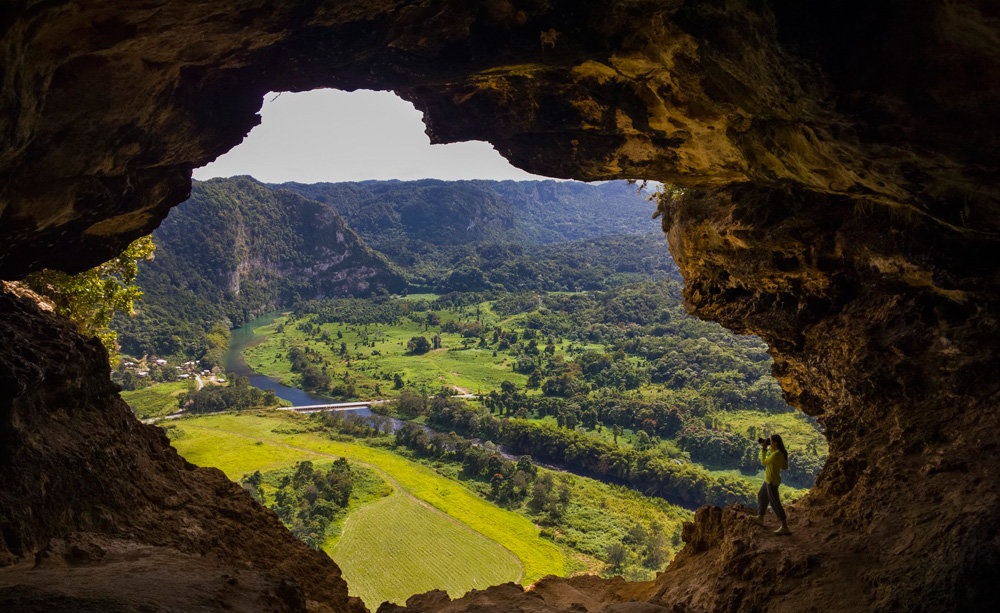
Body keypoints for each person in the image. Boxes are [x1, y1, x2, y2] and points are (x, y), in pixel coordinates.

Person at [753, 434, 791, 535]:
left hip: (771, 481)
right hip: (769, 480)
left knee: (775, 503)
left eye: (771, 441)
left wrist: (764, 449)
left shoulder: (776, 454)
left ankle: (784, 526)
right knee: (762, 495)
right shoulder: (780, 453)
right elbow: (784, 467)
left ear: (776, 443)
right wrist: (771, 448)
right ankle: (760, 517)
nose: (770, 442)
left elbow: (764, 462)